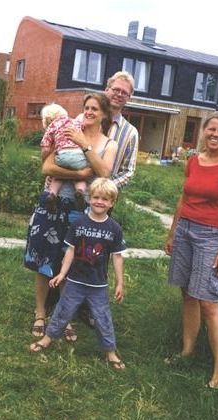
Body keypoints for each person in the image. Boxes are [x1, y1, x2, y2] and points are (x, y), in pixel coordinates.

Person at [27, 71, 139, 340]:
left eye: (94, 109)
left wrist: (84, 147)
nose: (89, 112)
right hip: (55, 204)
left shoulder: (109, 143)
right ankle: (40, 313)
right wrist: (78, 175)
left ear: (104, 116)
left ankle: (64, 318)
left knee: (72, 263)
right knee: (44, 259)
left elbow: (104, 172)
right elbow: (47, 166)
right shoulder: (69, 129)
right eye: (86, 108)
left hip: (83, 211)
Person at [164, 111, 218, 390]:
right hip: (185, 229)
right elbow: (183, 197)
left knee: (210, 303)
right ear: (203, 131)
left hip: (212, 236)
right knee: (187, 293)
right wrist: (173, 232)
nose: (215, 134)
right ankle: (187, 351)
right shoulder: (194, 160)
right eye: (210, 129)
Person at [29, 178, 126, 370]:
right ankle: (47, 339)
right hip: (74, 281)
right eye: (96, 197)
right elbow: (70, 251)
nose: (100, 202)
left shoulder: (114, 228)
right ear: (89, 199)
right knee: (62, 311)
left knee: (103, 317)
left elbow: (117, 257)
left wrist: (120, 283)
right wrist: (62, 274)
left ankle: (110, 352)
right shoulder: (79, 222)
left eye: (105, 199)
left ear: (112, 203)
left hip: (98, 285)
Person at [39, 103, 87, 212]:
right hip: (77, 155)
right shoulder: (75, 121)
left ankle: (52, 194)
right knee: (80, 177)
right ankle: (79, 191)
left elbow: (45, 148)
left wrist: (44, 160)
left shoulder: (52, 125)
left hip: (62, 155)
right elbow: (83, 128)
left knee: (57, 176)